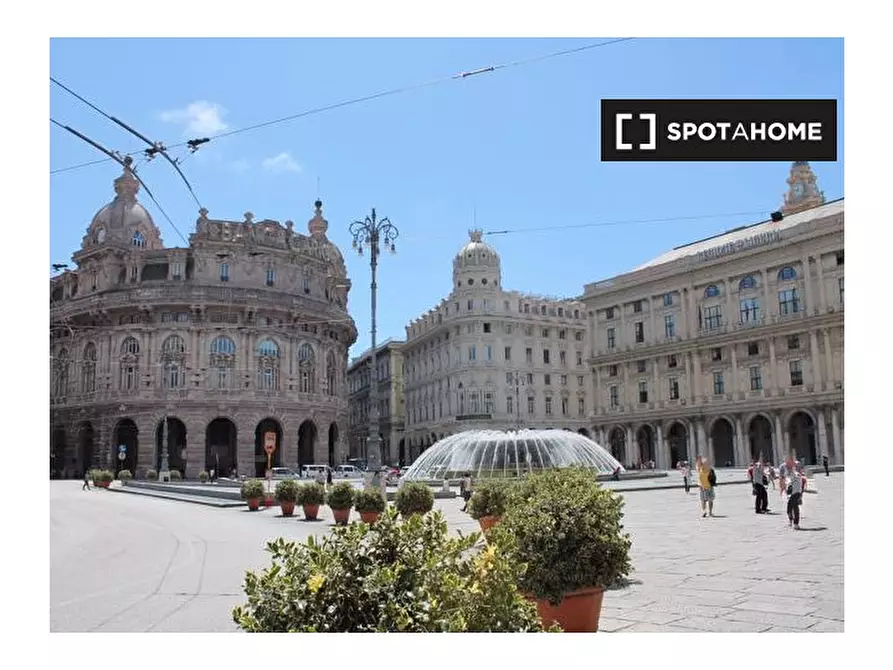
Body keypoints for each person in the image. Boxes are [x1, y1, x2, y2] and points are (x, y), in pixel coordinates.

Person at [786, 462, 804, 530]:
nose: (797, 467)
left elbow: (793, 476)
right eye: (796, 465)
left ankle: (796, 523)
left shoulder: (797, 474)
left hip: (796, 493)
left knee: (795, 507)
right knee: (789, 508)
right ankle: (791, 520)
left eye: (798, 466)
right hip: (792, 492)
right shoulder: (795, 473)